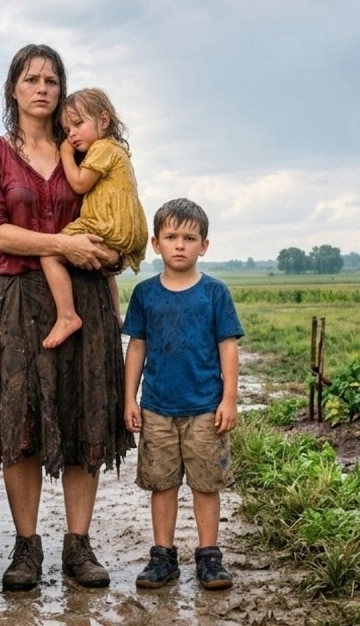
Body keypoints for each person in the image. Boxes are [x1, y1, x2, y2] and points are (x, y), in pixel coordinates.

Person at [0, 44, 133, 592]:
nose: (42, 88)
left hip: (87, 298)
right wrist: (62, 244)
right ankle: (26, 548)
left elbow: (115, 217)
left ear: (62, 91)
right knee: (21, 424)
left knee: (85, 417)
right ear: (13, 88)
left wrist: (111, 257)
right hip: (19, 301)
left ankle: (78, 547)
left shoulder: (89, 151)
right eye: (31, 78)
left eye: (52, 80)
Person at [121, 198, 244, 591]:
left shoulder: (215, 293)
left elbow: (228, 347)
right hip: (157, 408)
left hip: (205, 408)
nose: (179, 245)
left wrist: (229, 399)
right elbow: (136, 347)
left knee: (206, 484)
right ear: (155, 243)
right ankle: (163, 557)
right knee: (163, 484)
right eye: (171, 236)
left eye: (189, 238)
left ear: (203, 246)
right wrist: (129, 399)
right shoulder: (145, 294)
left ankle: (209, 557)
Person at [40, 88, 148, 349]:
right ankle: (116, 317)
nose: (72, 135)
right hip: (128, 229)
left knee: (50, 252)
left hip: (106, 224)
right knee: (105, 272)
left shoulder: (102, 148)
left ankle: (67, 316)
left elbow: (79, 184)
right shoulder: (118, 150)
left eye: (78, 124)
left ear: (104, 120)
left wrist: (66, 154)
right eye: (67, 130)